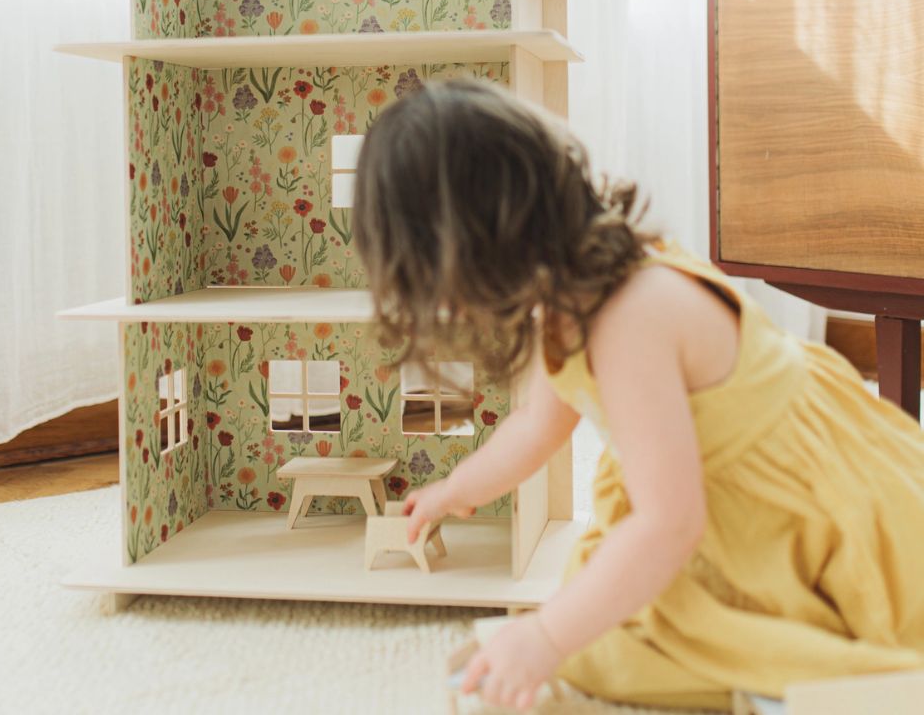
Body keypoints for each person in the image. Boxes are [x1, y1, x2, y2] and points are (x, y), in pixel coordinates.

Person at [351, 77, 924, 712]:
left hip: (800, 512)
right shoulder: (564, 302)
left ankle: (793, 682)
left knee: (594, 638)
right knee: (599, 637)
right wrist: (456, 489)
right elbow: (538, 425)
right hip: (706, 501)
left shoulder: (628, 318)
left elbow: (669, 523)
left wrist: (544, 637)